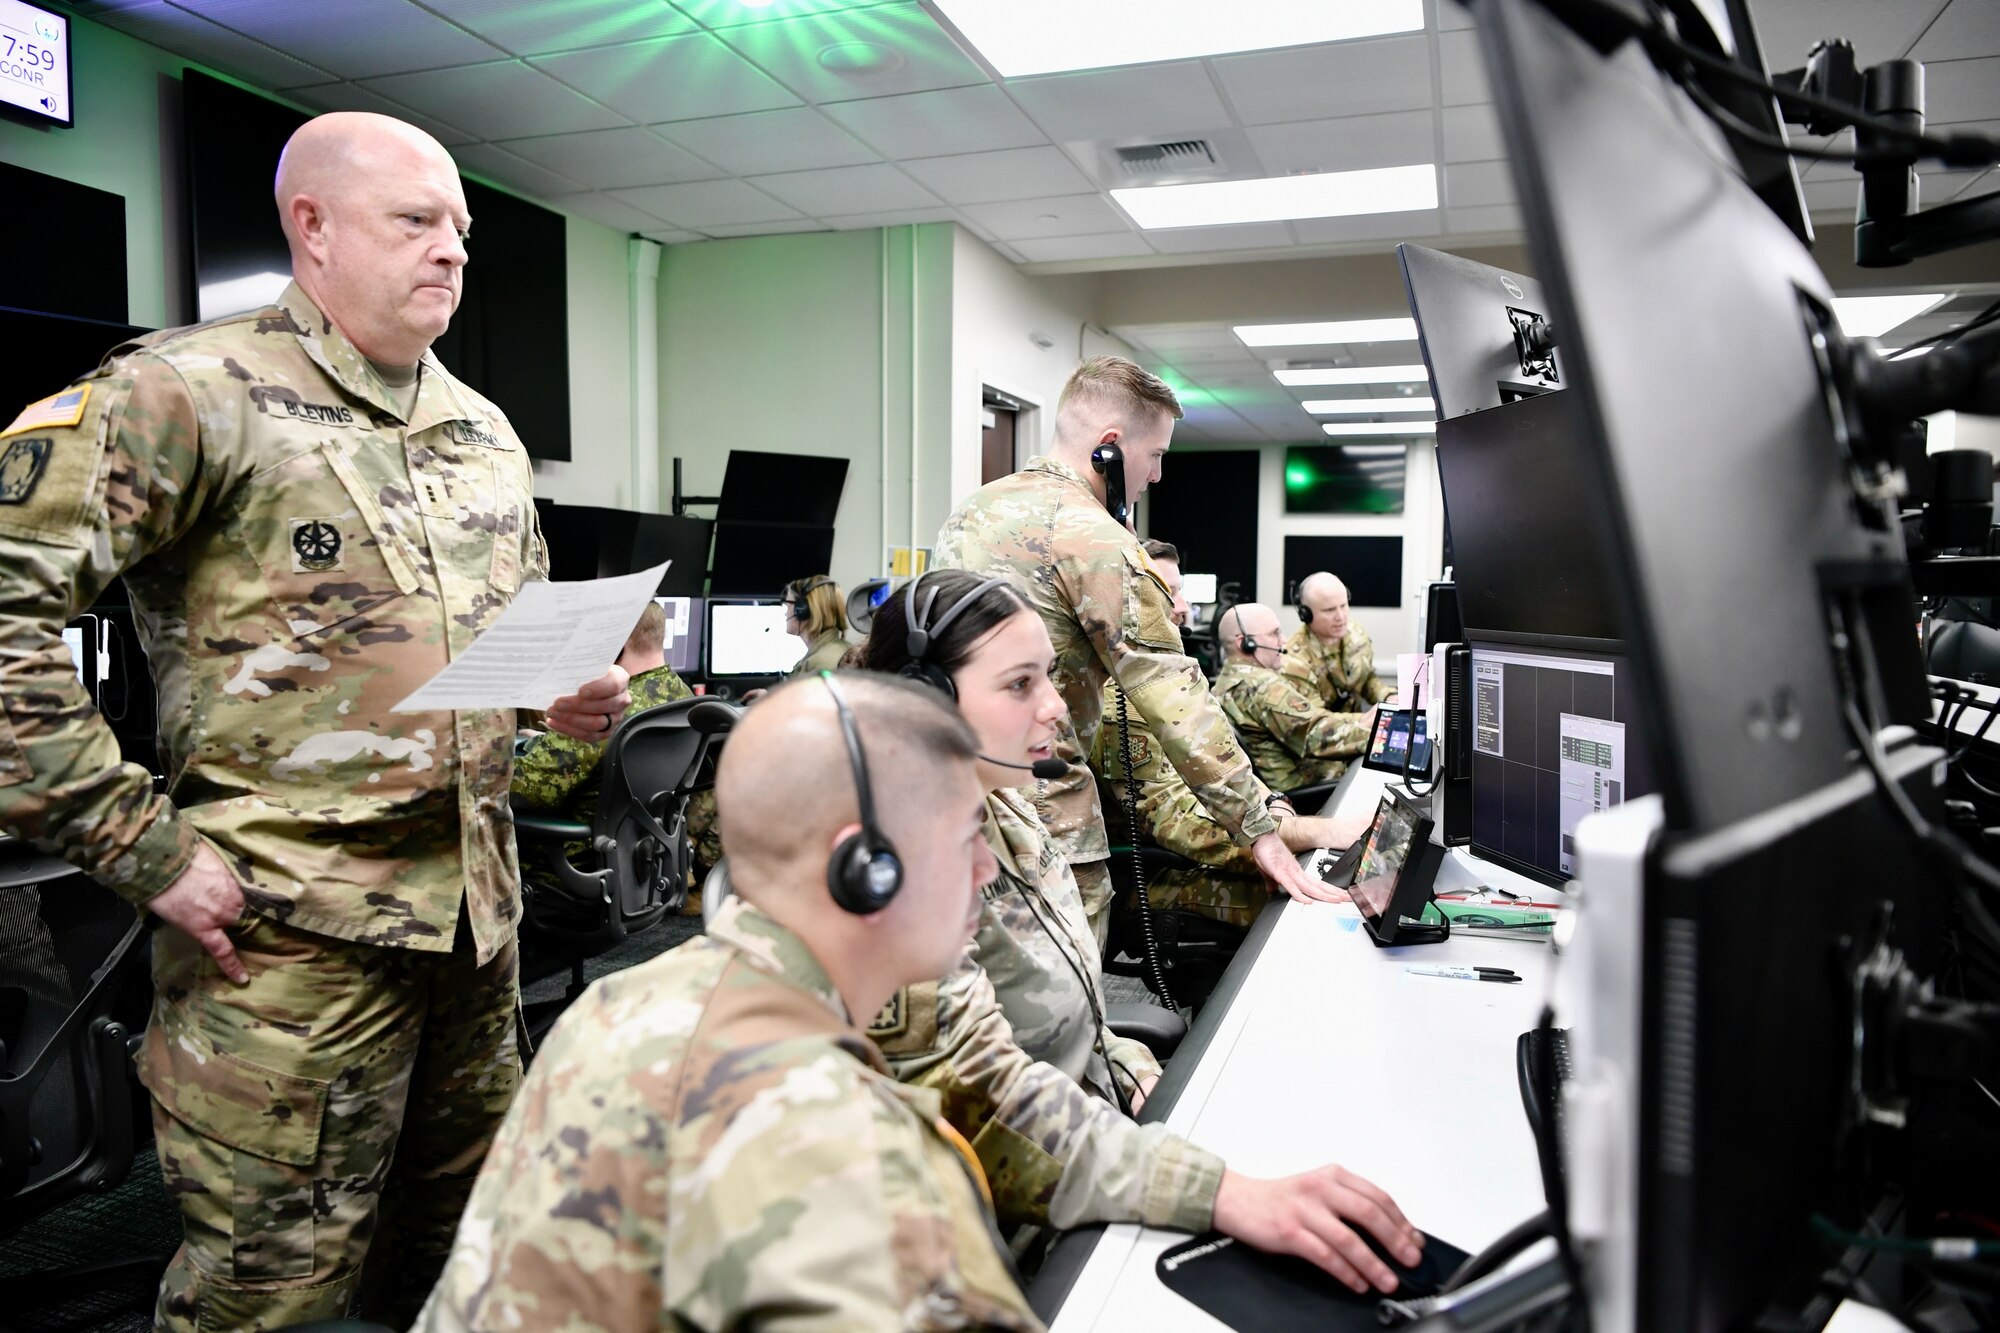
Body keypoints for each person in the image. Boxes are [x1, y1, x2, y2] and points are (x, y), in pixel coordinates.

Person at [0, 112, 630, 1330]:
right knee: (270, 1302)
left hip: (472, 939)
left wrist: (563, 701)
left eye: (458, 227)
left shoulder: (482, 431)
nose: (450, 250)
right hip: (287, 953)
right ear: (313, 227)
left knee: (451, 1275)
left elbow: (501, 656)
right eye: (414, 221)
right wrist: (144, 850)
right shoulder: (186, 392)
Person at [853, 571, 1425, 1293]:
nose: (1057, 709)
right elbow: (990, 1108)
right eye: (1019, 685)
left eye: (1052, 678)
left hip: (1093, 1142)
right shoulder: (896, 876)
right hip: (1011, 1237)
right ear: (925, 703)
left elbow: (1076, 1015)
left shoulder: (1010, 810)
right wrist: (1219, 1189)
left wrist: (1130, 1068)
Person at [419, 674, 1045, 1331]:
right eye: (968, 834)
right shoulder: (835, 1142)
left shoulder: (610, 1003)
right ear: (865, 867)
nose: (988, 866)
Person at [935, 357, 1341, 943]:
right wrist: (1259, 828)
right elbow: (1176, 698)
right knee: (1069, 1009)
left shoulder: (969, 514)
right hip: (1048, 820)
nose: (1155, 477)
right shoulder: (1100, 540)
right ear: (1110, 447)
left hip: (959, 807)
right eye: (1155, 456)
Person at [1092, 545, 1371, 928]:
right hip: (1163, 873)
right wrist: (1308, 830)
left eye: (1181, 591)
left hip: (1217, 844)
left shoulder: (1173, 685)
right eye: (1169, 592)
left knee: (1332, 881)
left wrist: (1271, 803)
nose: (1185, 606)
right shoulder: (1119, 706)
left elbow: (1227, 767)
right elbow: (1181, 827)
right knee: (1318, 909)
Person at [511, 600, 692, 890]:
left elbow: (523, 791)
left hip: (569, 866)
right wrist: (545, 742)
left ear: (614, 642)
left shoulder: (602, 712)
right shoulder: (683, 697)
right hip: (641, 867)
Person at [1214, 603, 1372, 795]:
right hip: (1305, 792)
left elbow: (1309, 721)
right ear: (1245, 643)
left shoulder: (1225, 681)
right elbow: (1316, 734)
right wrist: (1380, 733)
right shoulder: (1263, 686)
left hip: (1283, 788)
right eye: (1275, 634)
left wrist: (1361, 720)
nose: (1284, 640)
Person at [1284, 571, 1393, 713]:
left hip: (1358, 729)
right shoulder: (1294, 660)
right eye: (1329, 610)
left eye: (1343, 606)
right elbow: (1315, 723)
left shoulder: (1355, 632)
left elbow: (1365, 679)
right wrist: (1368, 720)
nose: (1341, 617)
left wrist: (1388, 696)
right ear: (1306, 614)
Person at [784, 574, 852, 677]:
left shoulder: (820, 663)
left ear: (803, 609)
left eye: (788, 605)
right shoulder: (833, 650)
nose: (786, 613)